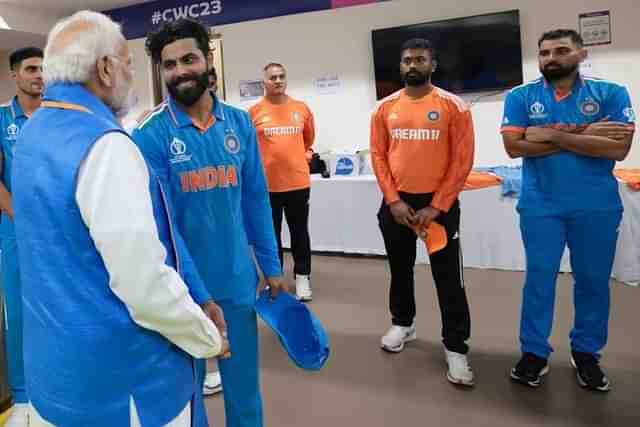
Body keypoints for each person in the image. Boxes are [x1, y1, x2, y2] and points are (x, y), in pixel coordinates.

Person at [12, 11, 228, 426]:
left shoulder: (34, 132)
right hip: (122, 386)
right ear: (107, 69)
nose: (131, 72)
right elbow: (143, 283)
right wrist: (205, 337)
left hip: (57, 375)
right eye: (128, 63)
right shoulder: (106, 146)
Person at [133, 18, 286, 427]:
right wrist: (198, 294)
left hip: (236, 281)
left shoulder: (239, 124)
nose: (179, 70)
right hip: (180, 289)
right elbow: (161, 227)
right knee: (186, 397)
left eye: (188, 59)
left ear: (208, 62)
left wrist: (271, 266)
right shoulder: (149, 134)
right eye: (168, 64)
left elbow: (255, 200)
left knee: (244, 389)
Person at [501, 29, 635, 391]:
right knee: (539, 280)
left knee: (592, 282)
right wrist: (587, 134)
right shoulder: (521, 95)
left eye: (561, 50)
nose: (551, 58)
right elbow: (514, 147)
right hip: (541, 205)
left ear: (581, 54)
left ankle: (587, 353)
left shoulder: (611, 92)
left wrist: (554, 135)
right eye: (544, 52)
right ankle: (534, 353)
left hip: (597, 207)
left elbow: (617, 150)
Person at [370, 38, 475, 386]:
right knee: (400, 270)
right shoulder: (384, 108)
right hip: (397, 206)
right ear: (400, 66)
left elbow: (462, 161)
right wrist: (393, 200)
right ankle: (403, 323)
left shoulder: (454, 106)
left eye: (420, 59)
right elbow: (379, 156)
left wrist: (438, 205)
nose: (412, 65)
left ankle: (456, 347)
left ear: (433, 65)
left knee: (448, 279)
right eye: (407, 60)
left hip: (438, 209)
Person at [0, 46, 43, 427]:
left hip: (60, 233)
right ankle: (23, 397)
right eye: (31, 69)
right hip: (16, 233)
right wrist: (22, 218)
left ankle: (55, 389)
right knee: (19, 313)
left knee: (60, 309)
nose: (39, 76)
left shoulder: (57, 115)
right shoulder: (1, 119)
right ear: (15, 74)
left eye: (44, 69)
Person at [249, 63, 315, 301]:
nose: (277, 80)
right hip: (267, 187)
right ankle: (273, 279)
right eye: (272, 77)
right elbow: (249, 149)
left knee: (300, 233)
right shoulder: (254, 112)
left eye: (281, 76)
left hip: (297, 183)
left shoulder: (301, 108)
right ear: (264, 82)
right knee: (270, 235)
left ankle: (302, 278)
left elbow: (308, 139)